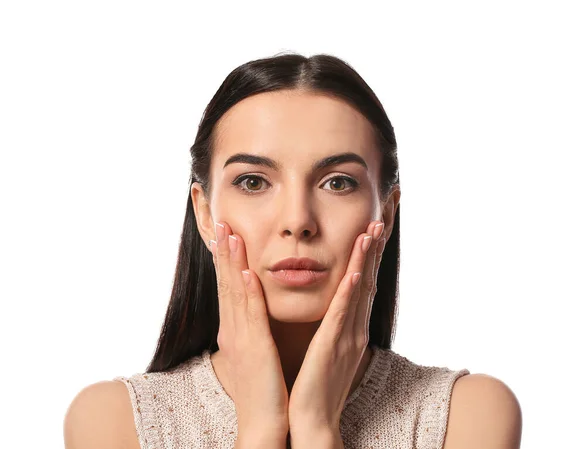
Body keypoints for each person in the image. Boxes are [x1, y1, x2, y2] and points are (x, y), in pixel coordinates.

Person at [63, 52, 522, 449]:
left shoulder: (466, 415)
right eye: (253, 182)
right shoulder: (117, 421)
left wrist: (318, 429)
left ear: (387, 212)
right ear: (204, 214)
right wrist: (261, 428)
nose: (297, 221)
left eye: (337, 183)